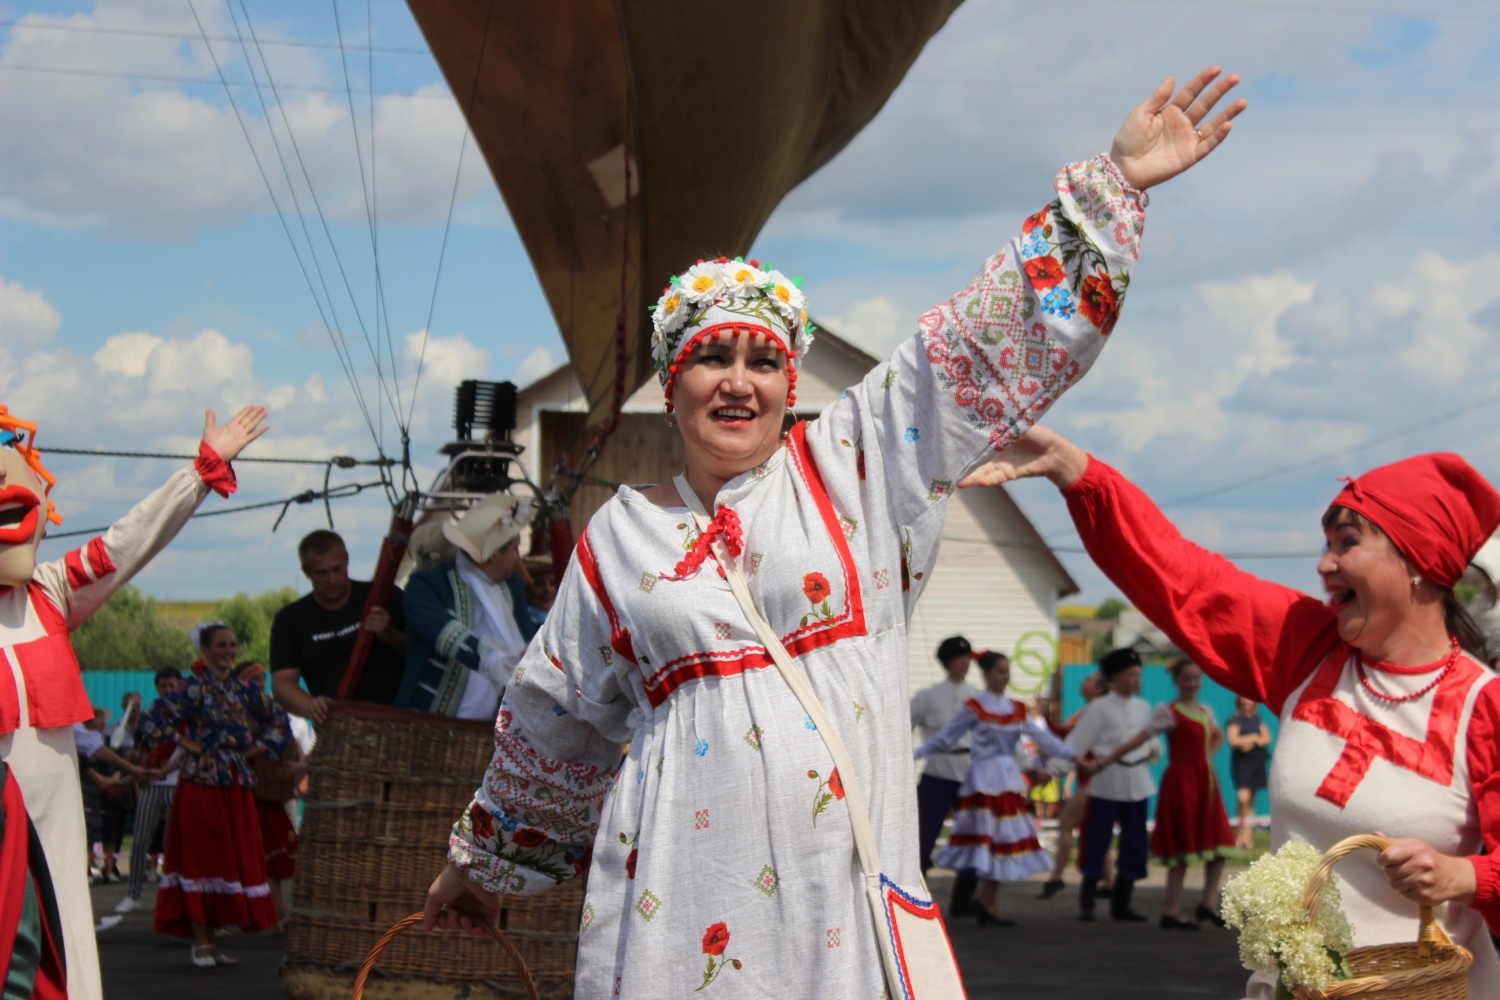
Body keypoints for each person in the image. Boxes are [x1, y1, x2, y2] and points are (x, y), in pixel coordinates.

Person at [421, 66, 1245, 997]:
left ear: (791, 383)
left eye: (763, 360)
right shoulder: (621, 534)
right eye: (711, 358)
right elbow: (555, 718)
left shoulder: (854, 468)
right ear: (671, 382)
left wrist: (1115, 188)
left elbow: (966, 348)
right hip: (678, 900)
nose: (738, 380)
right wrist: (482, 870)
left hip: (839, 896)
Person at [961, 423, 1500, 996]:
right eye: (1327, 544)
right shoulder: (1307, 648)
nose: (1324, 564)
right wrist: (1073, 469)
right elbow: (1185, 579)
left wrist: (1464, 874)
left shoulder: (1483, 707)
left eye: (1348, 543)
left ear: (1420, 563)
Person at [0, 400, 263, 1000]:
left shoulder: (49, 593)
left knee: (62, 941)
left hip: (53, 818)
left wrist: (199, 473)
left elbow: (128, 541)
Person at [139, 624, 289, 967]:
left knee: (227, 860)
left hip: (235, 784)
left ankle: (213, 939)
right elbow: (150, 721)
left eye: (233, 645)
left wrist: (257, 749)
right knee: (201, 859)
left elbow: (279, 721)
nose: (229, 651)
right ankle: (201, 942)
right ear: (205, 650)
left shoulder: (245, 691)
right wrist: (184, 742)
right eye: (222, 645)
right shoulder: (190, 690)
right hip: (201, 784)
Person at [915, 651, 1074, 927]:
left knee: (1003, 841)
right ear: (987, 674)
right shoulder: (975, 706)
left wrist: (1072, 754)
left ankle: (987, 901)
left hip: (1007, 780)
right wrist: (913, 755)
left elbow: (1037, 739)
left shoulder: (1015, 709)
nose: (1005, 676)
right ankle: (974, 901)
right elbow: (945, 737)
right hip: (983, 779)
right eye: (1000, 671)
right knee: (985, 841)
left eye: (1007, 671)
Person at [1089, 658, 1235, 930]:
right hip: (1182, 783)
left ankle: (1207, 903)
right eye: (1187, 679)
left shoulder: (1205, 710)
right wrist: (1101, 763)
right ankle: (1172, 911)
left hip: (1206, 781)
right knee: (1182, 846)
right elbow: (1137, 740)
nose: (1192, 684)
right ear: (1177, 682)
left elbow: (1217, 736)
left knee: (1219, 844)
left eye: (1196, 678)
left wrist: (1205, 760)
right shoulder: (1168, 712)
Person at [396, 492, 539, 719]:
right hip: (429, 728)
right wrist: (491, 659)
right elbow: (446, 635)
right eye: (514, 549)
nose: (517, 558)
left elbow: (528, 644)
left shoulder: (511, 587)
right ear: (492, 556)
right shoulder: (426, 585)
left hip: (490, 732)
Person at [270, 529, 406, 723]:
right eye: (322, 573)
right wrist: (312, 706)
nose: (332, 580)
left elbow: (424, 655)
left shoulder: (385, 596)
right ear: (306, 571)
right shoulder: (289, 619)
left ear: (347, 560)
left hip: (399, 719)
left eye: (337, 569)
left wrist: (391, 635)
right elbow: (282, 683)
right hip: (340, 729)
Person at [1065, 648, 1161, 923]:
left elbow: (1151, 741)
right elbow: (1075, 743)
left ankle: (1122, 902)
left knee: (1134, 843)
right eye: (1130, 675)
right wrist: (1062, 766)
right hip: (1107, 781)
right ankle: (1087, 900)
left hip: (1138, 782)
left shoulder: (1143, 707)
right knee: (1097, 840)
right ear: (1114, 679)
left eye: (1137, 675)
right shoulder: (1099, 708)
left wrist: (1153, 750)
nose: (1135, 680)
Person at [908, 634, 981, 916]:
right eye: (957, 658)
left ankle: (963, 901)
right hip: (937, 771)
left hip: (969, 773)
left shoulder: (977, 697)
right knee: (923, 836)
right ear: (947, 662)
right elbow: (905, 726)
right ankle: (916, 896)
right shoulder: (928, 697)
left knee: (973, 836)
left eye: (966, 659)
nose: (963, 664)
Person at [231, 660, 304, 931]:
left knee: (272, 859)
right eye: (254, 680)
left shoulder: (272, 709)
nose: (260, 684)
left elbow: (291, 740)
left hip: (266, 793)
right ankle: (262, 916)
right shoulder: (232, 709)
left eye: (262, 679)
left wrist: (300, 765)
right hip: (239, 789)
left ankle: (277, 915)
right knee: (248, 859)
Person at [116, 667, 188, 915]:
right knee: (138, 841)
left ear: (181, 686)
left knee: (176, 845)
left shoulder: (189, 714)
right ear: (157, 688)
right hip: (151, 785)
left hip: (179, 784)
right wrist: (133, 762)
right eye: (164, 685)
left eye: (173, 685)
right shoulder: (149, 716)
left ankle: (176, 897)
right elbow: (140, 751)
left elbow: (189, 751)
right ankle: (133, 894)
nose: (169, 689)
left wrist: (165, 768)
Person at [1038, 671, 1113, 898]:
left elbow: (1066, 736)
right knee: (1095, 829)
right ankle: (1108, 881)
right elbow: (1066, 735)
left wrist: (1046, 717)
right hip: (1091, 776)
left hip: (1093, 777)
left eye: (1088, 680)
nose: (1083, 681)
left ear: (1099, 688)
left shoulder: (1094, 713)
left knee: (1067, 823)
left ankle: (1057, 877)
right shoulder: (1090, 712)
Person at [1225, 695, 1271, 850]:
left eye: (1249, 698)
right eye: (1243, 698)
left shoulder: (1257, 719)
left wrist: (1248, 742)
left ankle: (1247, 838)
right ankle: (1238, 835)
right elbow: (1233, 741)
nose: (1246, 701)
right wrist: (1253, 738)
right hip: (1242, 765)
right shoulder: (1234, 719)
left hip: (1257, 763)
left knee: (1251, 800)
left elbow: (1266, 739)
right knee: (1243, 798)